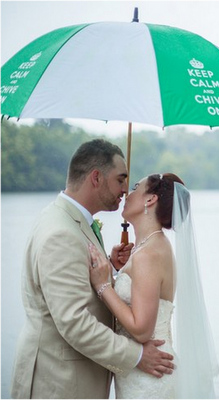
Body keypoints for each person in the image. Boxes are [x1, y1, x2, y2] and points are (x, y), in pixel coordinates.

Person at [11, 139, 174, 399]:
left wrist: (109, 268)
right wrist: (137, 355)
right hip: (58, 383)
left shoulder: (70, 220)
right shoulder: (60, 233)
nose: (124, 191)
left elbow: (78, 282)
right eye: (121, 180)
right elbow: (74, 322)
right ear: (96, 178)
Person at [89, 173, 219, 398]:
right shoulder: (150, 247)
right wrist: (115, 268)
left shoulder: (148, 254)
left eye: (136, 187)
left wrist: (103, 286)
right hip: (142, 371)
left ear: (150, 200)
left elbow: (141, 329)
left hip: (150, 376)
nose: (126, 193)